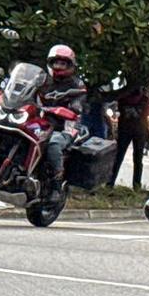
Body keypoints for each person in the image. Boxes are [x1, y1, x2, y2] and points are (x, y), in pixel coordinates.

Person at [34, 43, 87, 188]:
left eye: (63, 63)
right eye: (56, 62)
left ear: (70, 65)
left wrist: (74, 106)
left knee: (53, 143)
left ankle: (57, 177)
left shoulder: (77, 84)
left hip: (65, 126)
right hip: (42, 122)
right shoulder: (43, 80)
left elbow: (79, 104)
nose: (58, 66)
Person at [113, 77, 149, 190]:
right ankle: (136, 185)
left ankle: (110, 182)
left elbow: (119, 109)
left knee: (118, 157)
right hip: (139, 131)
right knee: (138, 159)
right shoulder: (144, 99)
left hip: (124, 129)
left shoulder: (123, 98)